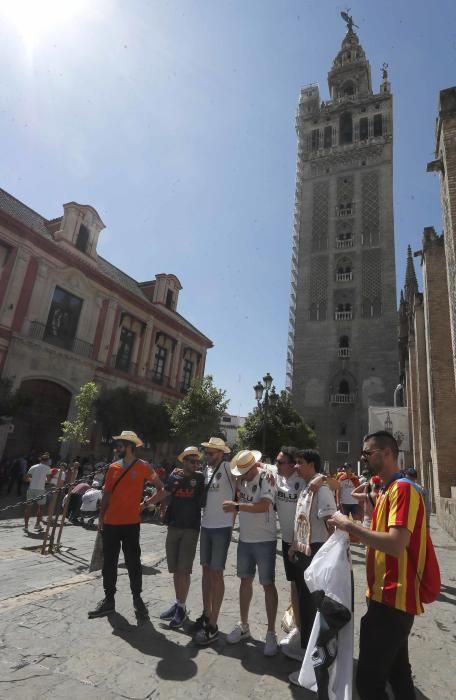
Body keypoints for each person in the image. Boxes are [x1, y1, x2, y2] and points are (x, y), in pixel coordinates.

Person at [328, 431, 428, 700]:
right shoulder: (385, 490)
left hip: (394, 599)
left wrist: (350, 525)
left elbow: (396, 544)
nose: (362, 458)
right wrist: (348, 535)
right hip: (382, 595)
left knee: (370, 682)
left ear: (385, 453)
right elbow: (380, 539)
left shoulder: (403, 490)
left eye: (367, 453)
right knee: (398, 674)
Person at [88, 430, 163, 620]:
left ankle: (137, 599)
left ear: (129, 446)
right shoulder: (113, 467)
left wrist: (146, 504)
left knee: (133, 562)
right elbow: (107, 494)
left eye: (120, 445)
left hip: (131, 523)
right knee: (110, 563)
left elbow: (161, 488)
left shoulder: (144, 466)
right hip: (111, 523)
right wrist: (101, 517)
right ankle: (108, 600)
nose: (117, 448)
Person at [223, 449, 279, 657]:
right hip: (246, 539)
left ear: (253, 467)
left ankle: (271, 632)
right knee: (244, 581)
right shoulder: (243, 480)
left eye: (243, 472)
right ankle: (243, 624)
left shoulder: (267, 477)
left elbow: (264, 506)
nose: (240, 476)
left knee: (268, 585)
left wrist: (237, 506)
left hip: (265, 539)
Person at [288, 449, 337, 685]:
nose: (296, 466)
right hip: (305, 551)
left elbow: (330, 524)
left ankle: (313, 669)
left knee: (312, 608)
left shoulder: (322, 489)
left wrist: (329, 558)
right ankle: (308, 659)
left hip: (317, 553)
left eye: (300, 463)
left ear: (312, 465)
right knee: (307, 609)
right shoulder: (308, 487)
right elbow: (303, 522)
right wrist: (295, 546)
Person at [145, 446, 205, 629]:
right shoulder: (174, 476)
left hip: (190, 528)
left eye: (197, 461)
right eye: (192, 461)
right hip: (173, 525)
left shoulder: (201, 478)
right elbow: (164, 492)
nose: (195, 464)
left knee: (184, 570)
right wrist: (145, 503)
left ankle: (181, 607)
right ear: (184, 461)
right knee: (174, 569)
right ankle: (179, 603)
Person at [193, 436, 234, 645]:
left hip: (221, 528)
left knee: (217, 573)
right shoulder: (206, 470)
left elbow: (250, 471)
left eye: (211, 453)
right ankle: (206, 614)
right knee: (206, 571)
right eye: (206, 452)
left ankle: (213, 625)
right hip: (206, 526)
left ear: (221, 453)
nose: (207, 455)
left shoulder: (228, 467)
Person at [271, 446, 307, 661]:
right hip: (286, 542)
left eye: (280, 461)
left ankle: (306, 630)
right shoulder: (276, 477)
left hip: (301, 543)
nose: (276, 464)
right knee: (293, 584)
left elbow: (329, 482)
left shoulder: (302, 480)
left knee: (304, 586)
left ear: (292, 463)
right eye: (276, 461)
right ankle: (299, 627)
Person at [23, 453, 52, 532]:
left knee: (28, 507)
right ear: (47, 461)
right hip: (40, 490)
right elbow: (49, 480)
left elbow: (26, 478)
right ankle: (37, 524)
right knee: (41, 508)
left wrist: (32, 480)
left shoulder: (33, 466)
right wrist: (44, 480)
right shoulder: (47, 468)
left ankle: (26, 526)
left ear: (40, 459)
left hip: (31, 488)